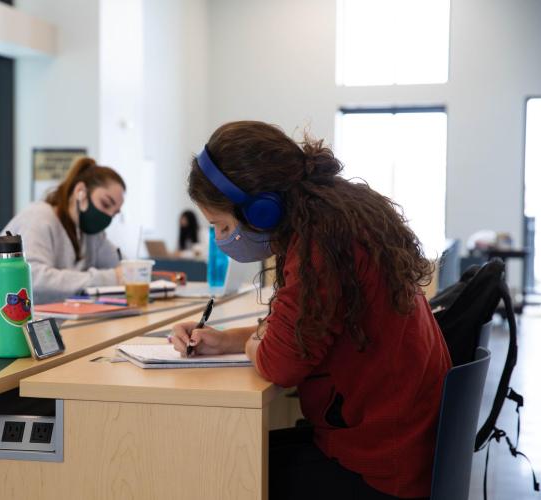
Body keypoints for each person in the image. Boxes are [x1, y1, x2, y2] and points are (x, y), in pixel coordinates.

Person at [170, 121, 451, 499]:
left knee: (221, 471)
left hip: (380, 466)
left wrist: (256, 343)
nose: (222, 240)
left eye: (221, 226)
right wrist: (226, 342)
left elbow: (280, 363)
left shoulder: (321, 243)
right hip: (401, 441)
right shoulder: (336, 217)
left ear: (262, 210)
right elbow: (301, 329)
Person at [0, 157, 125, 316]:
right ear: (80, 191)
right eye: (105, 204)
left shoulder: (91, 233)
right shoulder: (39, 218)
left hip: (43, 318)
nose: (107, 216)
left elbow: (122, 268)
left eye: (114, 213)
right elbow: (34, 277)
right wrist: (106, 278)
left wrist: (130, 272)